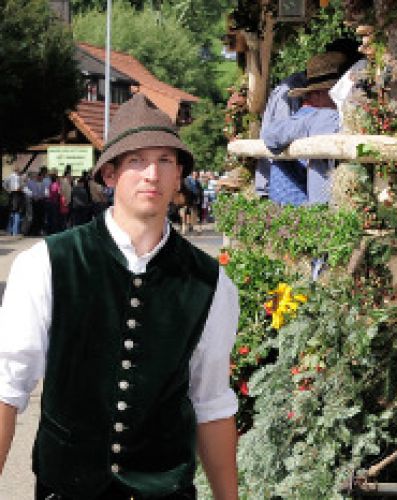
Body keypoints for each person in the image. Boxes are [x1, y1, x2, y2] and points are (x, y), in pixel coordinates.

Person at [0, 94, 239, 499]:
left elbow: (212, 404)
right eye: (136, 161)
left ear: (179, 175)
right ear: (109, 175)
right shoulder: (44, 264)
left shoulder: (210, 283)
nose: (152, 174)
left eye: (165, 160)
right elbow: (7, 389)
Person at [259, 39, 362, 203]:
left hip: (294, 210)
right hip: (317, 212)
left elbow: (270, 136)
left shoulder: (302, 118)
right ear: (324, 93)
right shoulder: (325, 117)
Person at [3, 169, 25, 237]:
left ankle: (11, 231)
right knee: (16, 213)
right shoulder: (17, 177)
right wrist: (9, 190)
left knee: (13, 213)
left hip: (14, 194)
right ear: (17, 171)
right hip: (16, 194)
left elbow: (4, 184)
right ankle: (14, 231)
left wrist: (8, 191)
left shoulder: (11, 177)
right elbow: (4, 184)